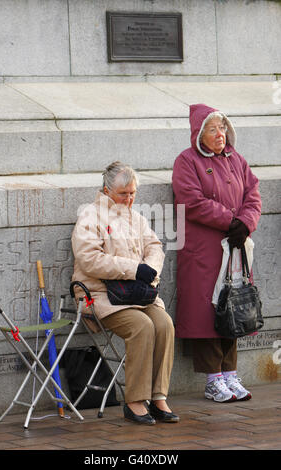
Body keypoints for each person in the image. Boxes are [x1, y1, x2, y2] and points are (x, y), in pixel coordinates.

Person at [71, 161, 179, 424]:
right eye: (124, 194)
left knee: (164, 324)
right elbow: (89, 260)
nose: (129, 199)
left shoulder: (136, 217)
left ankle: (158, 396)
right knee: (142, 326)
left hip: (137, 294)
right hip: (100, 296)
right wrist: (134, 269)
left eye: (132, 193)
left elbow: (155, 247)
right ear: (107, 190)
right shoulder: (90, 216)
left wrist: (149, 270)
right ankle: (134, 401)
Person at [172, 104, 261, 403]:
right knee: (208, 311)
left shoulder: (237, 159)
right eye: (212, 129)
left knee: (234, 307)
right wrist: (230, 221)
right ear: (199, 133)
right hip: (204, 251)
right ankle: (213, 379)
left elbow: (253, 194)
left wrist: (246, 223)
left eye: (222, 127)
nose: (220, 134)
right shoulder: (187, 161)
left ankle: (231, 374)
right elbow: (191, 201)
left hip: (234, 248)